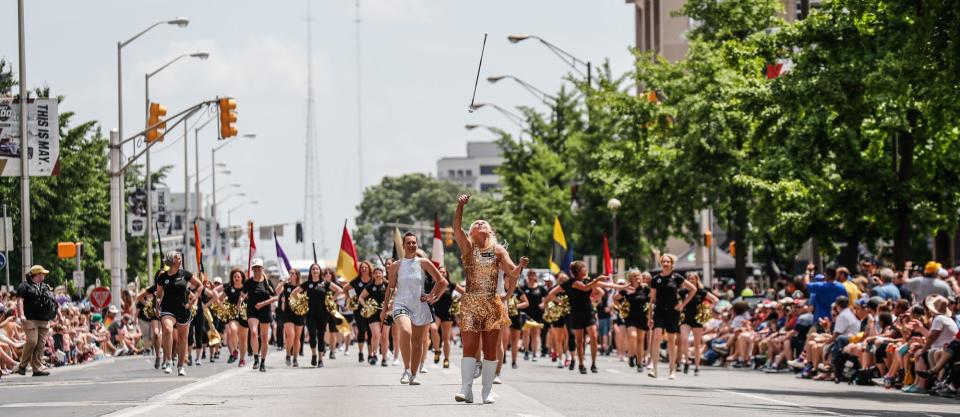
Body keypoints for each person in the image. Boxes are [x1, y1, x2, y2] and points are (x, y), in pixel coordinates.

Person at [452, 194, 528, 404]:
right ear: (471, 232)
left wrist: (521, 265)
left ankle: (487, 391)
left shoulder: (498, 250)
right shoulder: (468, 248)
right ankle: (465, 389)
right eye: (476, 223)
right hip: (470, 303)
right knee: (469, 347)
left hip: (492, 304)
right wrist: (460, 206)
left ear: (490, 231)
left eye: (483, 222)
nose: (479, 223)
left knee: (491, 349)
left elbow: (512, 273)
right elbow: (456, 228)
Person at [381, 232, 447, 386]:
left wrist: (432, 296)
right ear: (403, 246)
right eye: (408, 243)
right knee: (406, 331)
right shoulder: (396, 265)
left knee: (417, 343)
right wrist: (384, 309)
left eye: (414, 243)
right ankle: (405, 369)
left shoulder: (423, 262)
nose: (411, 245)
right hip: (401, 304)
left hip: (419, 306)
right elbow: (390, 289)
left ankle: (413, 374)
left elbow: (441, 282)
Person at [148, 251, 203, 376]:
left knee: (182, 338)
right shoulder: (163, 276)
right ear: (172, 260)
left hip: (183, 309)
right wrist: (157, 307)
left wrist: (193, 300)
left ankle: (181, 365)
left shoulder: (185, 274)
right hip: (167, 308)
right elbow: (159, 294)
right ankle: (168, 361)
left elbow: (200, 285)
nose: (180, 259)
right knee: (167, 329)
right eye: (178, 258)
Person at [646, 254, 697, 380]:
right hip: (659, 310)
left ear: (671, 264)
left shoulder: (676, 277)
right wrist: (649, 316)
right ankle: (654, 368)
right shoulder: (656, 278)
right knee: (656, 337)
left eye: (668, 262)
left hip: (673, 312)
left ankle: (672, 370)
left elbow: (693, 289)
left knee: (671, 340)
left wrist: (682, 305)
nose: (665, 264)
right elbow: (652, 299)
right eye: (663, 261)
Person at [291, 263, 343, 368]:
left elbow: (339, 290)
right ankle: (314, 354)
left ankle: (320, 359)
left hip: (323, 313)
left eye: (317, 269)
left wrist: (332, 299)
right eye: (313, 269)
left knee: (321, 335)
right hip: (310, 314)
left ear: (320, 271)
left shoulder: (325, 283)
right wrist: (301, 302)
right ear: (311, 272)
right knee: (312, 335)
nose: (315, 270)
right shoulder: (307, 283)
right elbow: (294, 293)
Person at [14, 265, 57, 377]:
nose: (44, 275)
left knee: (40, 344)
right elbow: (20, 301)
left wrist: (56, 314)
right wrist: (21, 315)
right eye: (42, 273)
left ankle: (37, 368)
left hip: (44, 319)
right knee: (32, 341)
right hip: (30, 319)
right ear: (37, 274)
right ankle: (22, 366)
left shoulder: (45, 286)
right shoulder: (24, 286)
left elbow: (52, 301)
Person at [677, 272, 719, 376]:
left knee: (697, 344)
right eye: (689, 279)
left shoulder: (701, 291)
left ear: (697, 280)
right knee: (684, 339)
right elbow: (674, 299)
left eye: (693, 279)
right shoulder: (683, 291)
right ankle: (686, 361)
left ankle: (697, 367)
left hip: (697, 319)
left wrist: (707, 309)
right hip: (685, 318)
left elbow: (715, 299)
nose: (691, 281)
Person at [243, 258, 279, 372]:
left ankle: (263, 362)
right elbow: (242, 295)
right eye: (255, 268)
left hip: (265, 310)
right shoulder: (248, 282)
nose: (257, 270)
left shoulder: (267, 282)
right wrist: (239, 302)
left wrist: (263, 303)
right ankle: (256, 358)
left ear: (262, 268)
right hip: (252, 310)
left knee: (264, 338)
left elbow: (275, 296)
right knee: (253, 332)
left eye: (259, 267)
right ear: (252, 269)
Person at [614, 270, 650, 372]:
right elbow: (615, 298)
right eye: (634, 276)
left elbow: (652, 299)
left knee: (640, 340)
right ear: (631, 278)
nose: (637, 277)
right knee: (633, 336)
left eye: (638, 275)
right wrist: (621, 308)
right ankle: (631, 355)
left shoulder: (645, 288)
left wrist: (650, 313)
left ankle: (639, 363)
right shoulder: (626, 288)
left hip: (642, 317)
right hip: (630, 317)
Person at [359, 266, 389, 367]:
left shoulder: (387, 285)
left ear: (382, 274)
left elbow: (396, 295)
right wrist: (367, 306)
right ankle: (373, 354)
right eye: (375, 273)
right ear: (373, 275)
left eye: (379, 272)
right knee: (376, 334)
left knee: (384, 338)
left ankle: (384, 358)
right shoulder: (370, 286)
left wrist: (391, 304)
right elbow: (361, 298)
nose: (377, 274)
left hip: (386, 313)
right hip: (373, 313)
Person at [279, 268, 306, 367]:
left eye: (292, 273)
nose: (290, 274)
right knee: (291, 335)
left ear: (297, 275)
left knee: (297, 337)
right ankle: (287, 355)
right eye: (289, 273)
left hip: (299, 313)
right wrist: (283, 282)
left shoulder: (302, 287)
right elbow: (276, 291)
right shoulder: (286, 286)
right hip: (288, 313)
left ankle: (295, 358)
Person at [221, 269, 249, 366]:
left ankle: (242, 359)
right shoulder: (229, 288)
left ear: (242, 278)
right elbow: (219, 299)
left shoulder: (246, 289)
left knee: (243, 339)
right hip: (233, 314)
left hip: (244, 314)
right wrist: (223, 308)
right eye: (234, 277)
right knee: (232, 329)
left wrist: (244, 298)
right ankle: (235, 350)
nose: (236, 278)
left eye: (238, 277)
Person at [350, 261, 374, 363]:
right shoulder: (356, 280)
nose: (363, 269)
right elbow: (345, 289)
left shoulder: (373, 279)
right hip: (359, 309)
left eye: (365, 267)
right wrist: (350, 299)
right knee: (362, 330)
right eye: (362, 267)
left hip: (372, 309)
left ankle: (370, 354)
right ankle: (360, 353)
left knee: (371, 331)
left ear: (369, 268)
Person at [521, 270, 547, 363]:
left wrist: (544, 303)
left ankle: (535, 353)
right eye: (529, 275)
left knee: (535, 334)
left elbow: (547, 297)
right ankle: (526, 351)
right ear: (527, 277)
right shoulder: (523, 288)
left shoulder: (540, 288)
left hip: (537, 314)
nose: (531, 277)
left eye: (533, 275)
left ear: (535, 277)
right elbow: (518, 298)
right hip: (526, 313)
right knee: (526, 333)